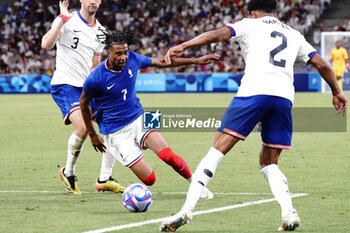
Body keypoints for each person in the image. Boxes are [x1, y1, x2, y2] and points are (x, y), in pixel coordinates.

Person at [159, 0, 348, 232]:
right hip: (283, 99)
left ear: (252, 12)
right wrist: (337, 92)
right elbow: (322, 65)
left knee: (217, 149)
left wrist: (186, 45)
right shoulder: (294, 34)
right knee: (269, 162)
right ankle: (288, 212)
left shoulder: (250, 24)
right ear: (276, 11)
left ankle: (186, 210)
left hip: (253, 94)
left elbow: (218, 34)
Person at [80, 30, 220, 197]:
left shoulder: (133, 58)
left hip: (139, 116)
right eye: (118, 53)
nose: (124, 56)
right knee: (150, 180)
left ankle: (196, 185)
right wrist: (92, 134)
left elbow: (162, 62)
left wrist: (195, 61)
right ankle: (111, 173)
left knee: (168, 156)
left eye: (125, 52)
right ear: (108, 52)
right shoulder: (96, 78)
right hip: (117, 132)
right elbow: (84, 102)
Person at [41, 0, 125, 195]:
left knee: (115, 123)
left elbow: (94, 64)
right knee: (83, 127)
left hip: (86, 88)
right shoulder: (67, 20)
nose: (93, 1)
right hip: (65, 85)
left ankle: (104, 178)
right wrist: (61, 20)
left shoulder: (101, 31)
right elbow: (46, 44)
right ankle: (68, 172)